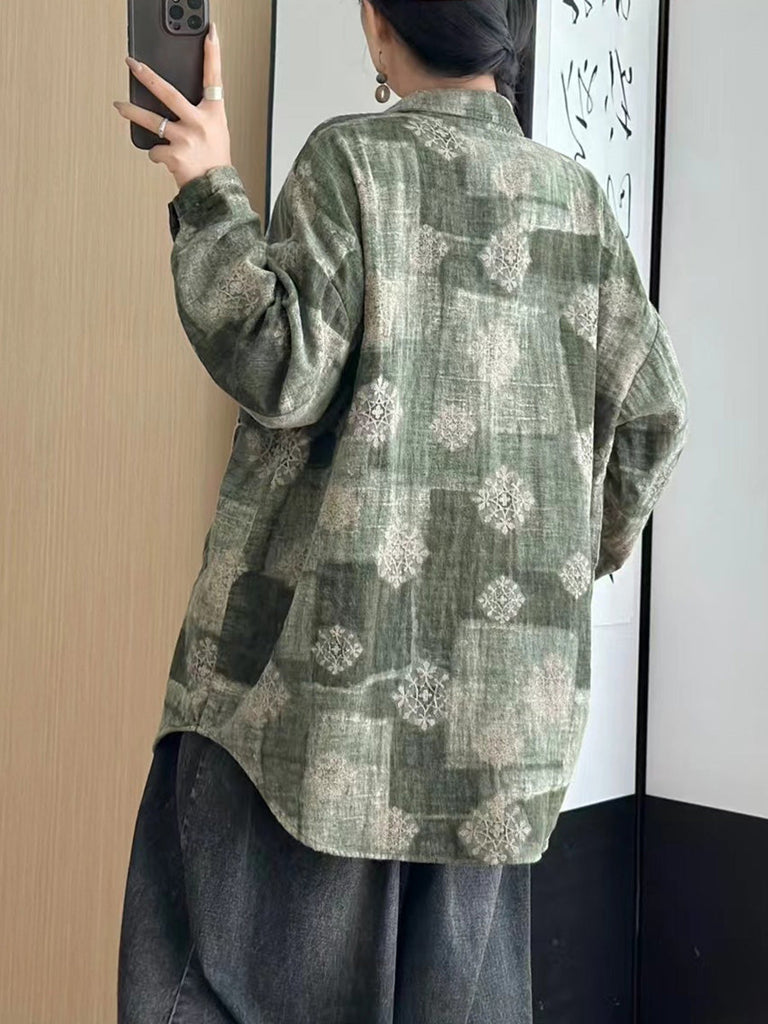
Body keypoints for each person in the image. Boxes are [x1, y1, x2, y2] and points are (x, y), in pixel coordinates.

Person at [115, 1, 690, 1021]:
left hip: (313, 724)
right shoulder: (577, 204)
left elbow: (280, 364)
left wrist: (207, 189)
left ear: (378, 24)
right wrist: (567, 549)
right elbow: (655, 417)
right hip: (495, 745)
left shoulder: (352, 165)